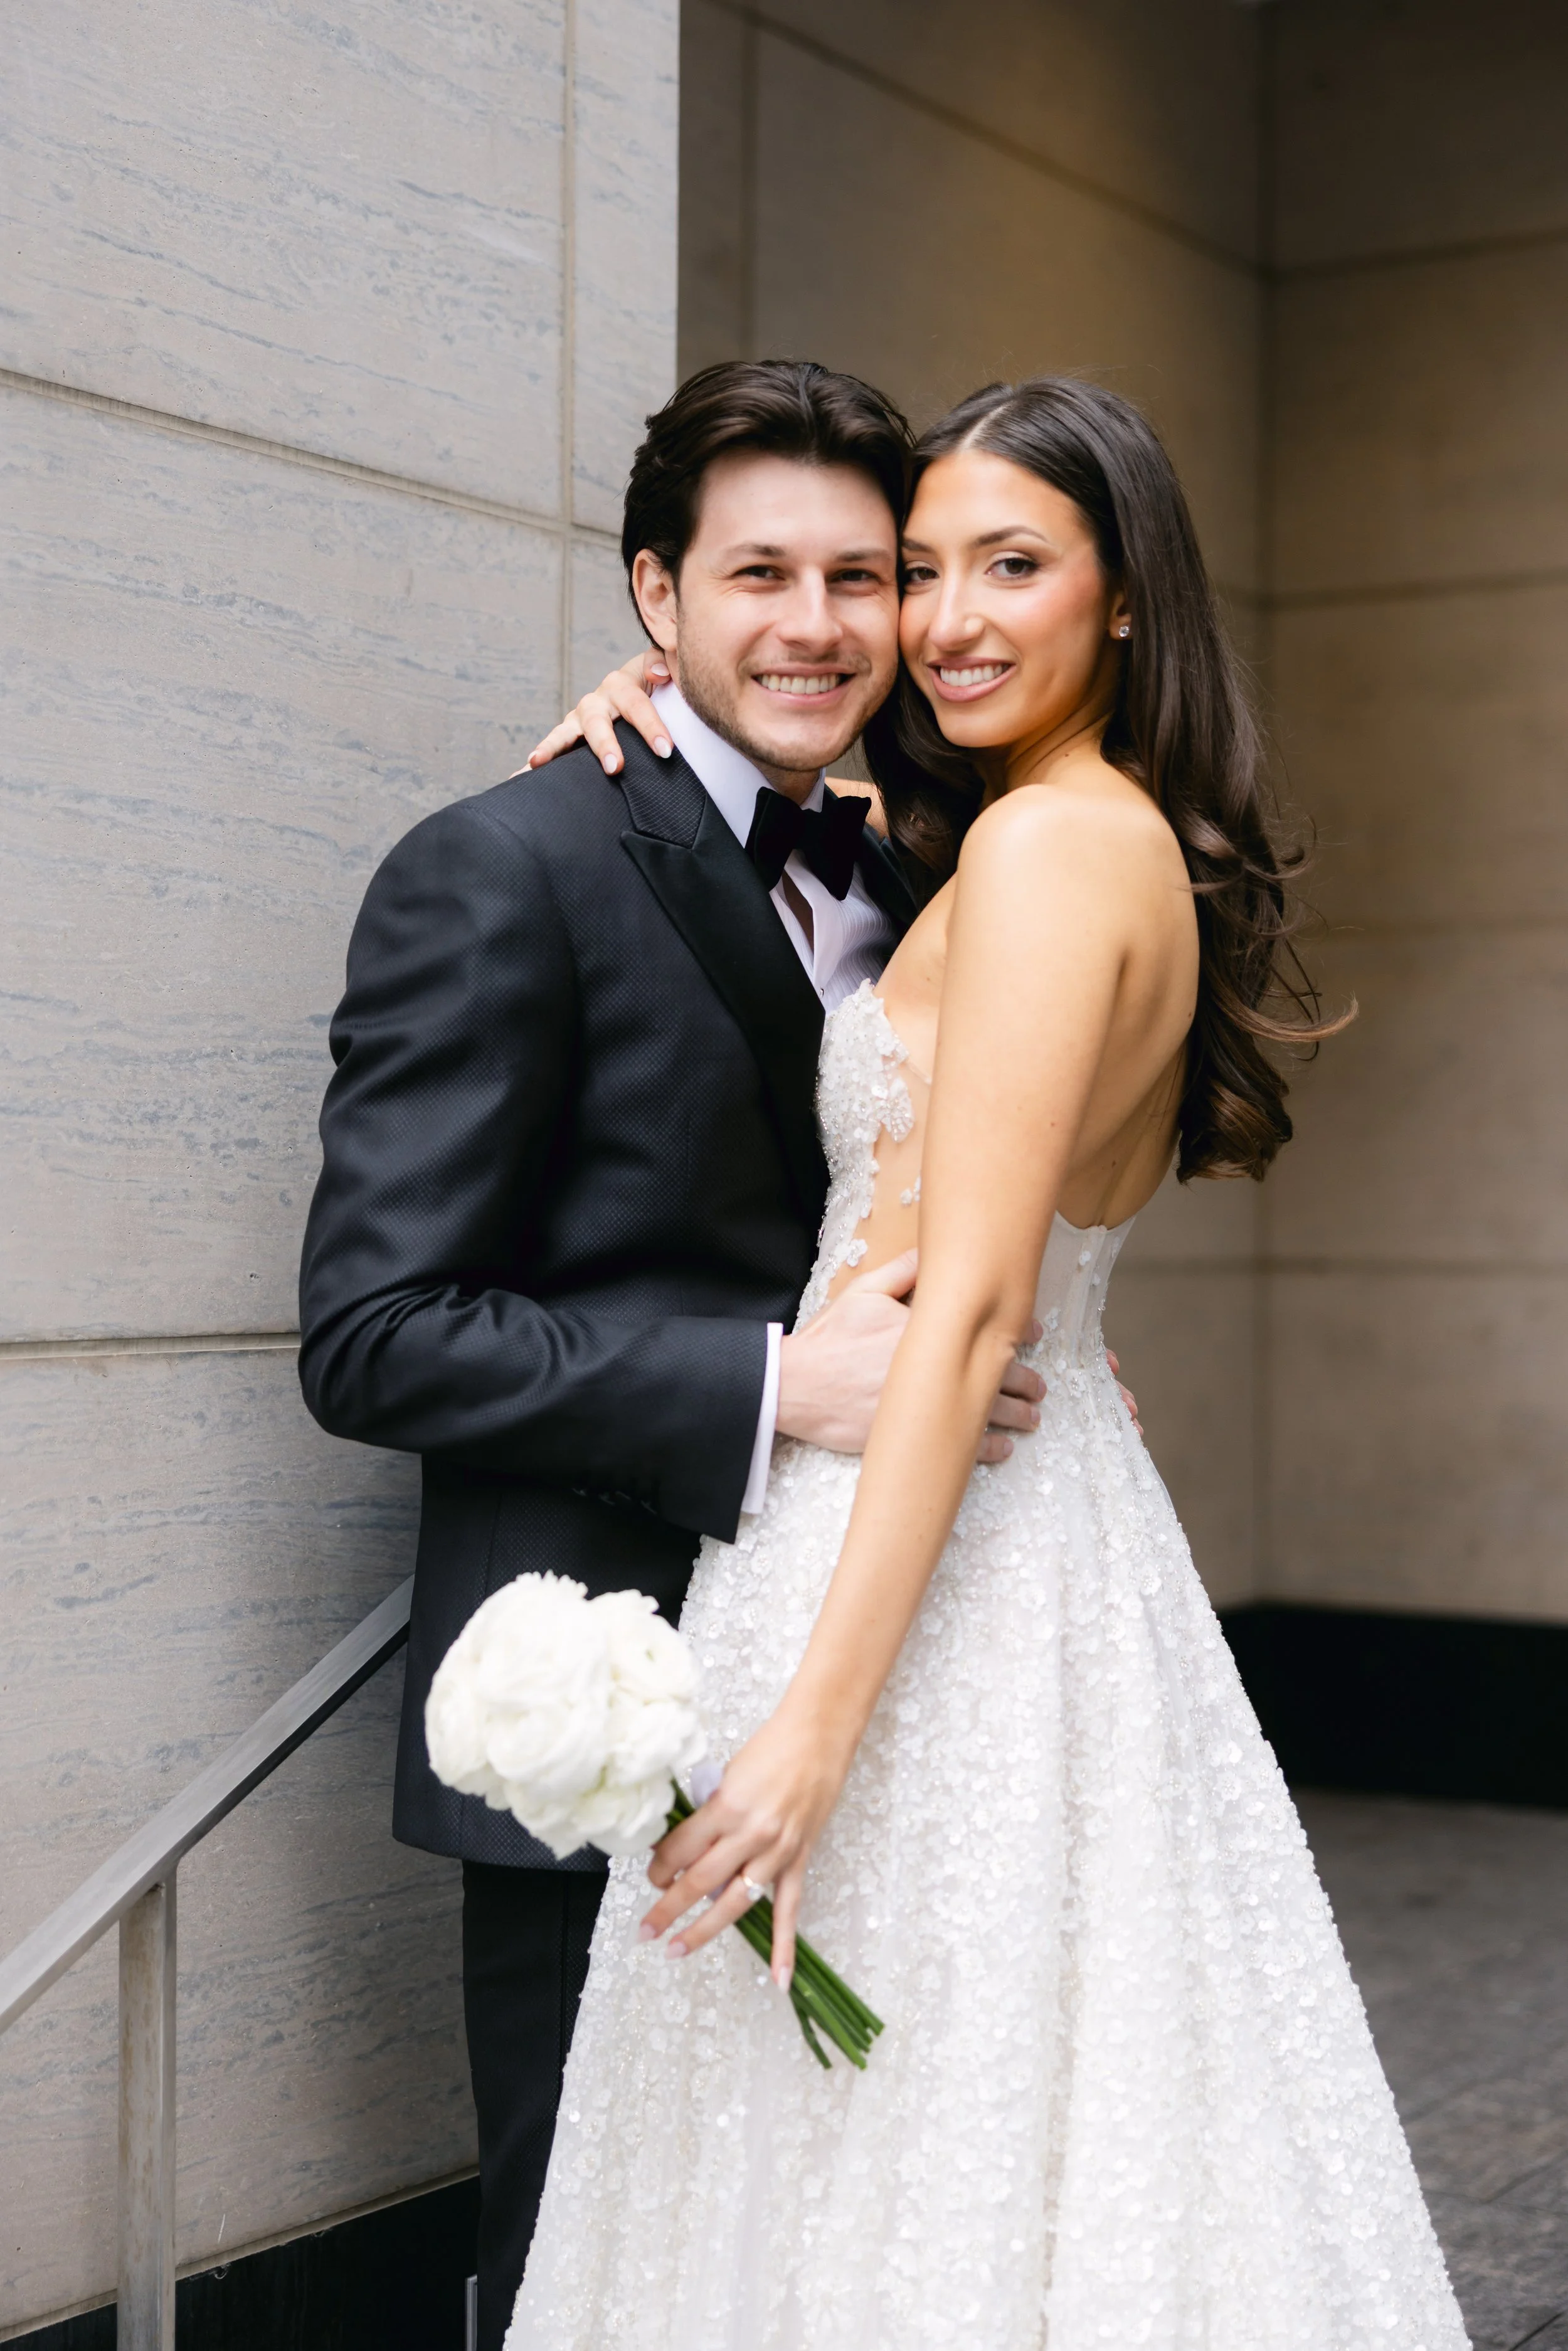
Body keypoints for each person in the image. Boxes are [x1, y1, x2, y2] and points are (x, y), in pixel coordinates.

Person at [507, 379, 1468, 2349]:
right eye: (917, 568)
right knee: (1005, 2105)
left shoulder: (1040, 858)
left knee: (870, 2123)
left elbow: (962, 1304)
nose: (940, 618)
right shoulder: (1052, 836)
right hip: (1033, 1537)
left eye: (1007, 567)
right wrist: (664, 711)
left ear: (1125, 599)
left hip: (911, 1555)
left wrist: (808, 1738)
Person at [295, 361, 1075, 2351]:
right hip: (604, 1696)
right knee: (587, 2267)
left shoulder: (914, 864)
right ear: (656, 596)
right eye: (755, 575)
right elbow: (375, 1333)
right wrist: (767, 1384)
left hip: (878, 1671)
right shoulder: (504, 864)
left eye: (855, 575)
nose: (812, 625)